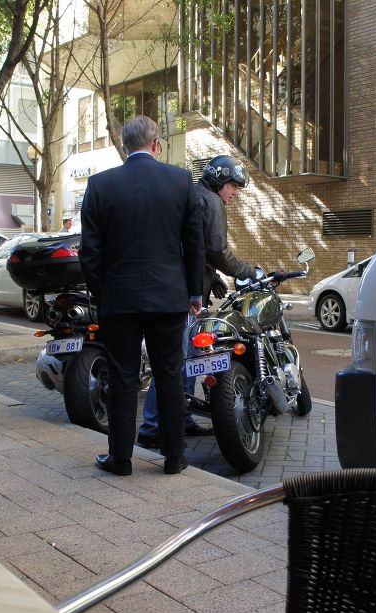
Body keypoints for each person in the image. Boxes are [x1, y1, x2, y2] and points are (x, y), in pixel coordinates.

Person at [79, 115, 204, 476]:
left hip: (119, 299)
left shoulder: (100, 185)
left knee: (123, 377)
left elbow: (90, 251)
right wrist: (194, 292)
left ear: (124, 147)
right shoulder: (181, 181)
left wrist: (102, 292)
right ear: (156, 144)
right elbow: (194, 243)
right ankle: (174, 456)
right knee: (169, 373)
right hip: (168, 296)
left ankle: (120, 458)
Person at [137, 155, 257, 449]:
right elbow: (217, 249)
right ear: (219, 180)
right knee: (175, 363)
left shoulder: (195, 195)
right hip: (182, 297)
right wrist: (247, 271)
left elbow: (193, 247)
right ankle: (152, 426)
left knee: (187, 361)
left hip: (179, 290)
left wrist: (211, 277)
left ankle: (182, 418)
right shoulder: (211, 201)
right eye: (233, 185)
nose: (235, 192)